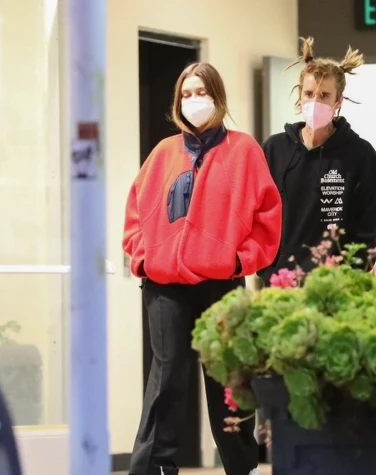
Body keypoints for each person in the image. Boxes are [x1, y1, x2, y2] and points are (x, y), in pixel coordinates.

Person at [123, 62, 281, 475]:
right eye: (186, 94)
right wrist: (142, 257)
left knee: (228, 382)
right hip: (164, 285)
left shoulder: (244, 150)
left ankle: (242, 468)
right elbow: (135, 213)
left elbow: (267, 217)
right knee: (166, 378)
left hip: (220, 284)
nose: (193, 101)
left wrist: (239, 260)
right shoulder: (163, 153)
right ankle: (152, 469)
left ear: (217, 97)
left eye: (201, 92)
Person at [258, 37, 376, 283]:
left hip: (337, 287)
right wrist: (269, 271)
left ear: (338, 101)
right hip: (280, 284)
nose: (315, 102)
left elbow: (369, 230)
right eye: (309, 94)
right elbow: (259, 216)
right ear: (300, 95)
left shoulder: (361, 155)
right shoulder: (274, 150)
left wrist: (347, 277)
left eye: (324, 95)